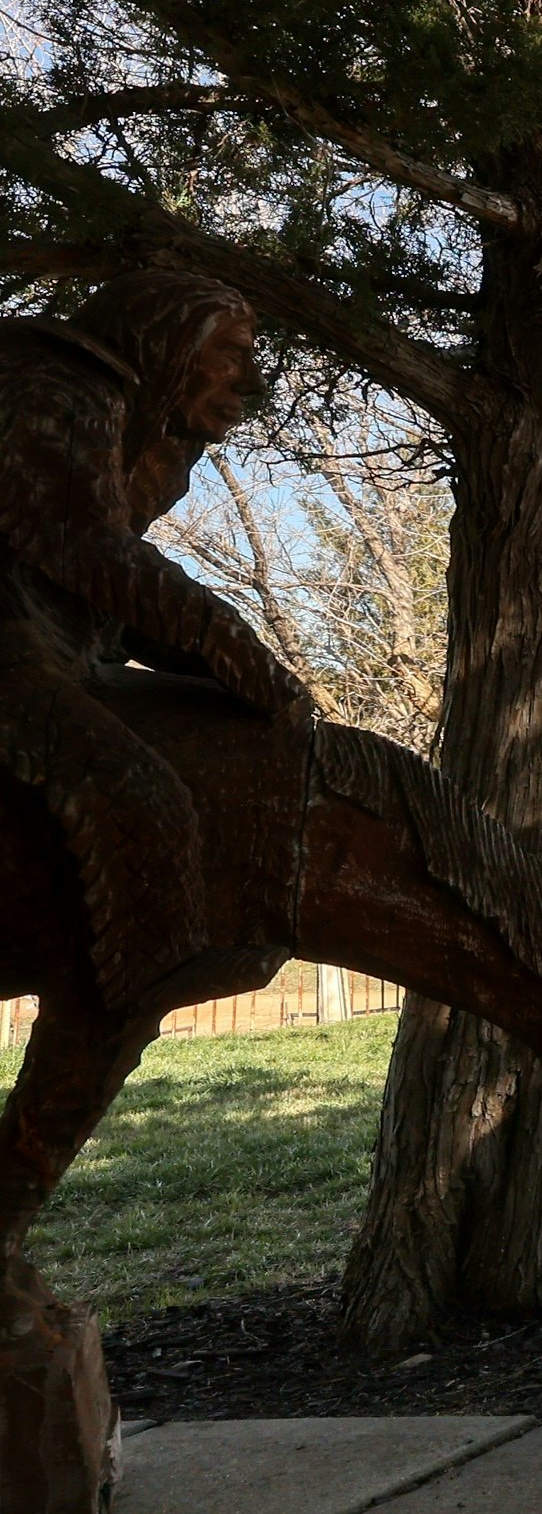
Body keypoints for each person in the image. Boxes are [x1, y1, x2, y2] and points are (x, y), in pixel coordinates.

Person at [0, 271, 312, 1012]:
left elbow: (107, 598)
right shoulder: (55, 392)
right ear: (168, 344)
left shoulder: (137, 427)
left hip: (55, 650)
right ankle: (125, 998)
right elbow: (96, 556)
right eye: (232, 353)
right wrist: (244, 658)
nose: (253, 379)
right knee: (138, 797)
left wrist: (234, 678)